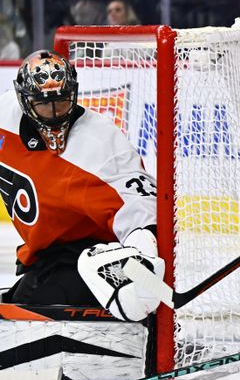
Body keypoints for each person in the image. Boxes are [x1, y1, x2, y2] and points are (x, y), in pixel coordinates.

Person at [0, 51, 164, 322]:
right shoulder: (5, 116)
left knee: (33, 316)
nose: (54, 114)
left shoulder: (99, 144)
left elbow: (144, 211)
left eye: (62, 102)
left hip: (99, 259)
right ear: (23, 101)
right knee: (21, 306)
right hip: (47, 257)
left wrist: (144, 275)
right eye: (43, 104)